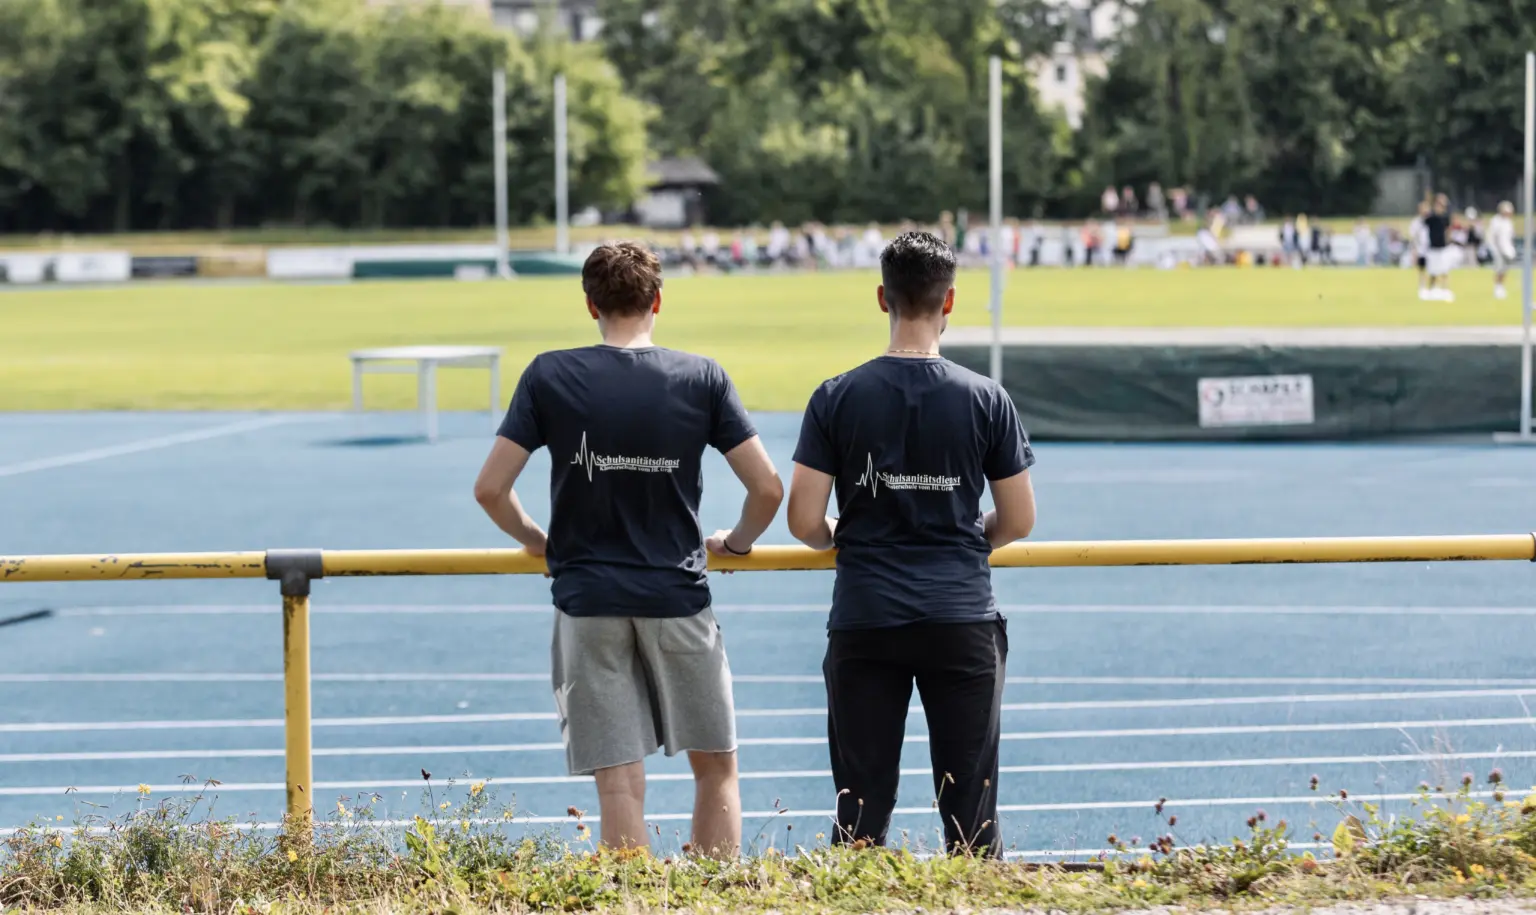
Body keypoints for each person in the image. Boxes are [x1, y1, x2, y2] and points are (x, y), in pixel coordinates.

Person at [474, 242, 784, 856]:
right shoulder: (702, 377)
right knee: (716, 767)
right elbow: (768, 487)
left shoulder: (550, 374)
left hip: (587, 599)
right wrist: (738, 543)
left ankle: (630, 898)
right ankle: (715, 898)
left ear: (590, 304)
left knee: (619, 784)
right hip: (678, 594)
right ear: (658, 301)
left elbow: (490, 489)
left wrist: (541, 543)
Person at [785, 231, 1037, 856]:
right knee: (972, 822)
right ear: (949, 302)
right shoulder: (985, 398)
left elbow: (803, 520)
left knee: (861, 819)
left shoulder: (836, 396)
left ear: (882, 298)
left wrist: (842, 534)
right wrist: (970, 534)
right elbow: (1019, 519)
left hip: (867, 616)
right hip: (960, 617)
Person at [1423, 194, 1454, 301]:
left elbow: (1448, 229)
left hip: (1443, 247)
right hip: (1433, 247)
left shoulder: (1446, 216)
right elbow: (1425, 222)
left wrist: (1449, 241)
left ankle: (1445, 290)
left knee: (1444, 270)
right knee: (1432, 270)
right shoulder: (1431, 217)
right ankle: (1431, 290)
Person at [1489, 201, 1518, 299]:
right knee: (1499, 269)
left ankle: (1501, 287)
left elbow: (1510, 236)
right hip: (1498, 249)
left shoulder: (1508, 222)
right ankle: (1497, 288)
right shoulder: (1496, 221)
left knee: (1504, 269)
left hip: (1507, 249)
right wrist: (1496, 249)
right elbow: (1493, 236)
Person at [1408, 201, 1430, 294]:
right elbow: (1413, 237)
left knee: (1433, 268)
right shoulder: (1416, 222)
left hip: (1431, 248)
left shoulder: (1431, 221)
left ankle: (1432, 287)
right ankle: (1422, 286)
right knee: (1422, 269)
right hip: (1421, 248)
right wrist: (1414, 250)